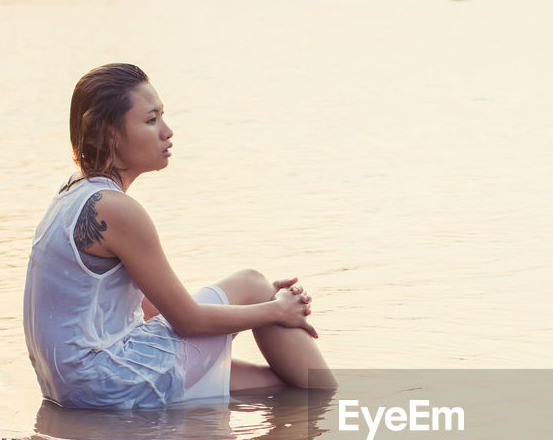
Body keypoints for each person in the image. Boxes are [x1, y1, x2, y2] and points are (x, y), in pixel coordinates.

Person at [23, 63, 335, 409]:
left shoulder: (72, 190)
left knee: (285, 386)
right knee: (251, 283)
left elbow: (144, 309)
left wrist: (255, 312)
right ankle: (338, 408)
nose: (168, 132)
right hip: (107, 382)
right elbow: (188, 321)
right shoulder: (115, 208)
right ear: (108, 133)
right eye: (151, 120)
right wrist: (275, 311)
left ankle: (318, 413)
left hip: (73, 388)